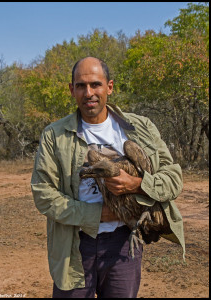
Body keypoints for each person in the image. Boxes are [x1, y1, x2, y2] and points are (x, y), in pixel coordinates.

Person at [31, 57, 185, 298]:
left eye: (96, 84)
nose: (88, 92)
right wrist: (97, 215)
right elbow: (43, 194)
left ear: (109, 87)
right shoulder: (54, 135)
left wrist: (136, 184)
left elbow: (173, 179)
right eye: (81, 86)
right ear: (72, 90)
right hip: (74, 244)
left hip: (124, 243)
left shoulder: (139, 128)